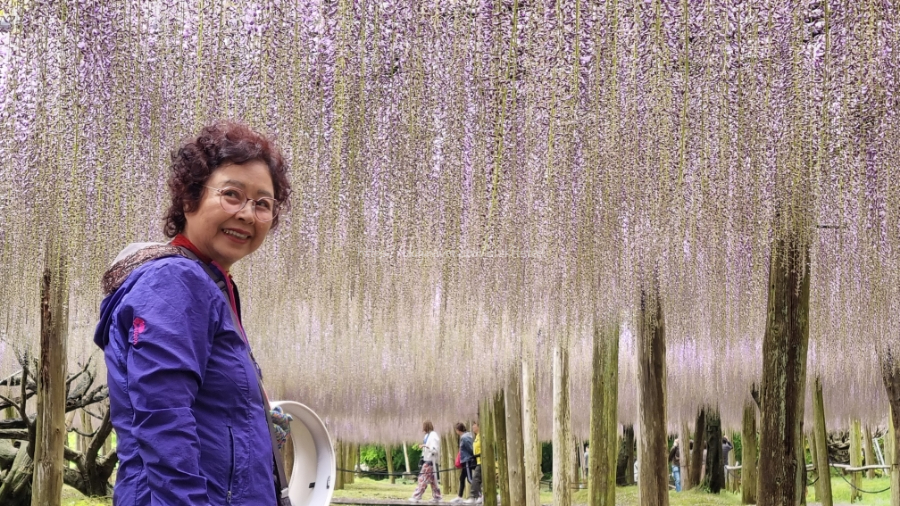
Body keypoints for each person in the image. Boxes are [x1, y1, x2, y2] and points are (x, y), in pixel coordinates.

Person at [94, 121, 292, 505]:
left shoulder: (210, 283)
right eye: (232, 195)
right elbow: (163, 420)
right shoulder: (175, 281)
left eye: (263, 204)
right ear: (190, 198)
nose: (248, 215)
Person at [410, 420, 442, 502]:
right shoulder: (427, 435)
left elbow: (435, 450)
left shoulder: (434, 435)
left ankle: (417, 496)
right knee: (433, 480)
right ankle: (437, 497)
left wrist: (426, 446)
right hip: (426, 459)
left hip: (430, 460)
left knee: (422, 478)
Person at [452, 422, 475, 503]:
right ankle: (460, 497)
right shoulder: (466, 436)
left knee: (470, 479)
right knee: (462, 478)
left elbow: (471, 449)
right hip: (465, 460)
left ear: (458, 430)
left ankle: (479, 495)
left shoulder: (464, 437)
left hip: (467, 460)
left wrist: (471, 457)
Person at [469, 421, 482, 504]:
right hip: (478, 461)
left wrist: (477, 455)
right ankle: (479, 496)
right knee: (479, 480)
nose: (473, 427)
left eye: (475, 425)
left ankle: (475, 496)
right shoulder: (476, 436)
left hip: (481, 461)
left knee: (475, 479)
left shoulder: (481, 436)